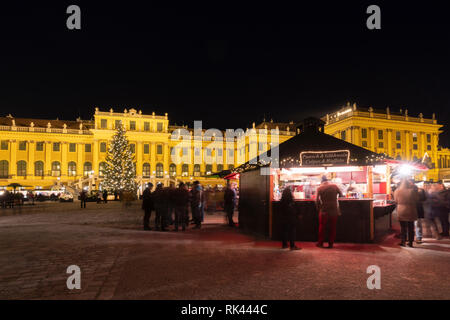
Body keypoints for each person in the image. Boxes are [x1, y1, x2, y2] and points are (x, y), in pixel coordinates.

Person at [315, 175, 343, 249]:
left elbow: (317, 200)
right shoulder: (335, 186)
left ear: (322, 182)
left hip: (324, 210)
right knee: (332, 227)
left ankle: (320, 243)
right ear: (328, 181)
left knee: (322, 227)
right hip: (334, 210)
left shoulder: (319, 188)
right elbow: (341, 195)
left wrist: (319, 208)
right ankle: (331, 244)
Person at [394, 179, 419, 247]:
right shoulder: (412, 191)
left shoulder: (397, 191)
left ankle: (403, 241)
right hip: (411, 210)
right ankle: (410, 242)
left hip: (401, 210)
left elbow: (395, 200)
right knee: (411, 227)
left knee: (403, 227)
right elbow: (417, 199)